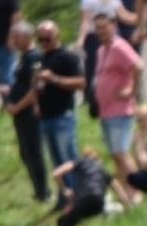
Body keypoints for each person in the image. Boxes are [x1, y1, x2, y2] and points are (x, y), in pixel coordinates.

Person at [33, 22, 84, 211]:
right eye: (41, 39)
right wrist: (37, 102)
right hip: (46, 117)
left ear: (57, 36)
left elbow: (81, 82)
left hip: (63, 115)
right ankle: (64, 197)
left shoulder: (67, 57)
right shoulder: (41, 58)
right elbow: (37, 85)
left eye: (48, 38)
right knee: (56, 161)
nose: (44, 43)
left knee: (68, 158)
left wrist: (54, 79)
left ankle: (78, 196)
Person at [93, 13, 143, 198]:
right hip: (106, 112)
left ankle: (138, 192)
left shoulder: (119, 46)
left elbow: (138, 65)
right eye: (98, 28)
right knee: (115, 155)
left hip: (121, 111)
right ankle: (125, 195)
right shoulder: (101, 50)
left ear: (113, 26)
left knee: (121, 154)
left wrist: (131, 90)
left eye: (104, 27)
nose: (101, 31)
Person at [3, 22, 51, 204]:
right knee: (26, 153)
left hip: (29, 112)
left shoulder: (34, 58)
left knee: (34, 152)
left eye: (16, 36)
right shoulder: (22, 58)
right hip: (19, 113)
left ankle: (43, 191)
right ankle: (37, 189)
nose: (13, 41)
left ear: (26, 37)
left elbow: (35, 88)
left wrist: (18, 106)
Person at [80, 0, 138, 122]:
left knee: (118, 71)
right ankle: (94, 103)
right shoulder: (88, 1)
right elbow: (85, 21)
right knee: (94, 73)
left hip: (112, 37)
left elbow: (125, 16)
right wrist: (81, 38)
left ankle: (128, 97)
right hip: (94, 38)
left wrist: (143, 18)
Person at [53, 148, 114, 226]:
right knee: (74, 217)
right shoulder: (103, 170)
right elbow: (119, 189)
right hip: (99, 202)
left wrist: (64, 190)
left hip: (85, 200)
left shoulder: (81, 162)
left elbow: (56, 173)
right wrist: (130, 209)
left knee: (62, 223)